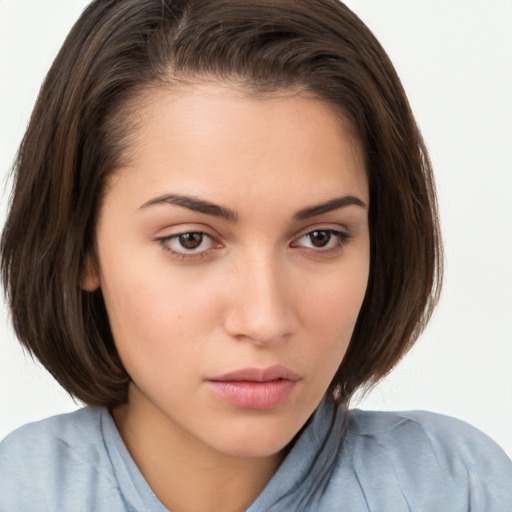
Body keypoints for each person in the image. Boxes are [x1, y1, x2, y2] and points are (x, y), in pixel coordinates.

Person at [0, 0, 510, 510]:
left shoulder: (457, 488)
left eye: (320, 237)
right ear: (80, 246)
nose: (265, 321)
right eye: (190, 240)